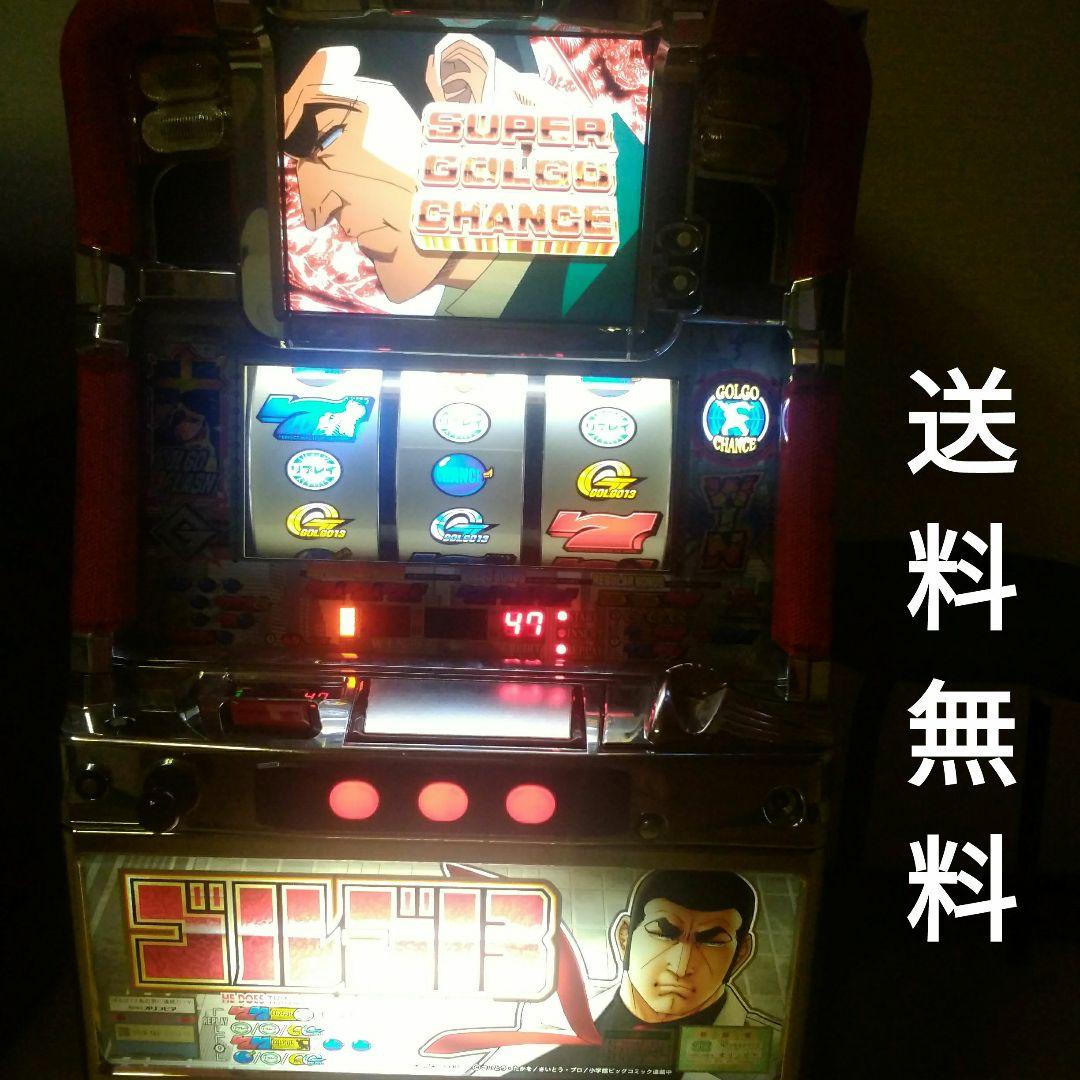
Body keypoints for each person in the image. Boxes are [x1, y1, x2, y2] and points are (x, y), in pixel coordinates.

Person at [281, 33, 643, 321]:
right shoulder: (460, 321)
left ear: (461, 93)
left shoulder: (630, 235)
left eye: (330, 137)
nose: (315, 213)